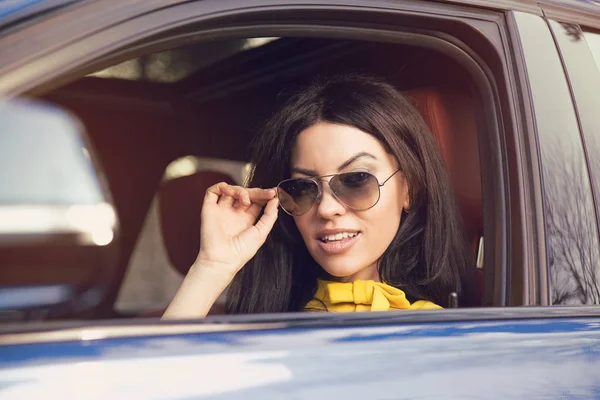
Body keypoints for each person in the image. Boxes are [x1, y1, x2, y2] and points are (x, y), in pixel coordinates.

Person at [163, 74, 474, 319]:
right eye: (303, 187)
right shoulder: (269, 318)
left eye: (356, 180)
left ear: (409, 189)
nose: (326, 208)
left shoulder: (433, 332)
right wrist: (212, 266)